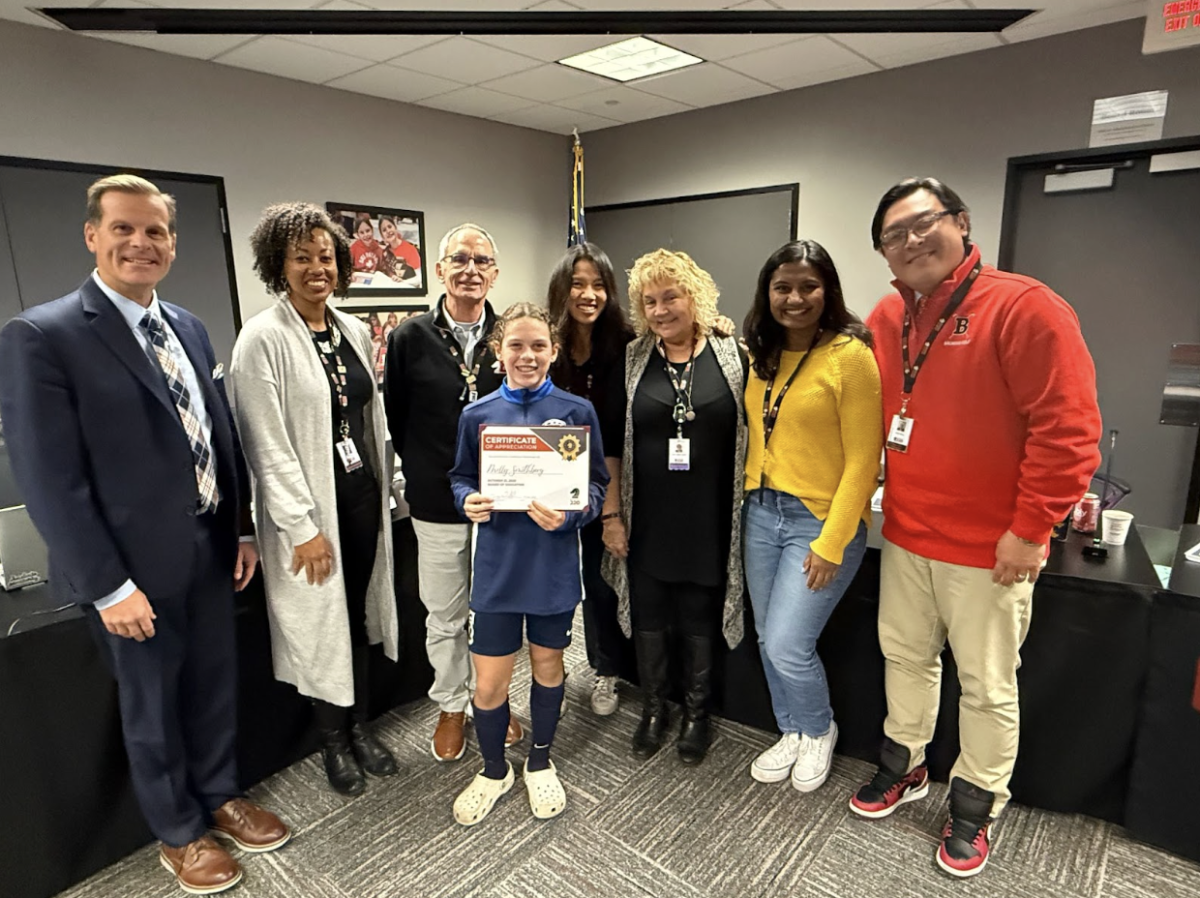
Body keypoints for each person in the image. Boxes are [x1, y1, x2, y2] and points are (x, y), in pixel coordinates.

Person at [0, 174, 289, 895]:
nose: (140, 243)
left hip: (210, 548)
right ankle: (178, 831)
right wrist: (106, 585)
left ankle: (218, 794)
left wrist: (241, 531)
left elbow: (219, 437)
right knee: (152, 703)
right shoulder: (43, 335)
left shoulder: (187, 326)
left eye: (155, 230)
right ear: (92, 236)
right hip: (128, 569)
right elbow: (49, 478)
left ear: (172, 243)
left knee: (214, 685)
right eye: (123, 228)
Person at [850, 177, 1102, 877]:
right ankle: (906, 764)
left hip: (991, 549)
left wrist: (1031, 529)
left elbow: (1069, 432)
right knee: (905, 659)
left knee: (987, 685)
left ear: (961, 223)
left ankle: (977, 803)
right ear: (883, 253)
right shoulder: (887, 317)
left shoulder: (1024, 307)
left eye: (923, 223)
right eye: (893, 235)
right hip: (906, 534)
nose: (910, 242)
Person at [228, 203, 400, 797]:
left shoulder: (352, 329)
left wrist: (391, 485)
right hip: (310, 516)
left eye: (325, 256)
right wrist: (302, 528)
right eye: (301, 258)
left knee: (356, 618)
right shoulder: (261, 340)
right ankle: (334, 741)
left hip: (361, 500)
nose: (316, 268)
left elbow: (370, 418)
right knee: (323, 627)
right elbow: (265, 445)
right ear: (278, 266)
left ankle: (361, 726)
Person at [448, 302, 608, 825]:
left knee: (548, 668)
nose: (527, 355)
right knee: (489, 685)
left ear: (554, 351)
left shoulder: (576, 412)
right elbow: (461, 477)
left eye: (539, 345)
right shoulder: (477, 415)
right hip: (497, 570)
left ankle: (540, 761)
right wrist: (467, 500)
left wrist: (570, 515)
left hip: (552, 568)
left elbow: (596, 486)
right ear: (498, 352)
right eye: (516, 345)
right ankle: (494, 770)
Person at [741, 240, 882, 792]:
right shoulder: (762, 354)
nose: (795, 299)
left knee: (787, 643)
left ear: (828, 291)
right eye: (783, 288)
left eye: (808, 287)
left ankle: (819, 728)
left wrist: (832, 541)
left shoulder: (851, 356)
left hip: (818, 521)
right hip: (761, 510)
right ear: (767, 293)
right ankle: (791, 729)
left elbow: (864, 462)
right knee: (764, 636)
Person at [600, 248, 748, 766]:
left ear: (695, 297)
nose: (661, 310)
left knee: (699, 616)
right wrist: (611, 515)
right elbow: (611, 446)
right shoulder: (632, 358)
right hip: (647, 517)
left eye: (671, 297)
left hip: (709, 516)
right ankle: (653, 709)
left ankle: (696, 714)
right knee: (649, 614)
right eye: (650, 301)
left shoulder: (732, 355)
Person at [383, 223, 523, 761]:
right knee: (444, 614)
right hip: (437, 503)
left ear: (495, 273)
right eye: (460, 259)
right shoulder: (409, 337)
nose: (471, 269)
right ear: (440, 270)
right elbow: (397, 417)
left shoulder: (509, 335)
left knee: (496, 611)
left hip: (501, 504)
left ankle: (493, 698)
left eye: (481, 261)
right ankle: (450, 704)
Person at [546, 243, 635, 716]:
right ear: (561, 290)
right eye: (578, 284)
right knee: (554, 584)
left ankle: (606, 670)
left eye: (599, 285)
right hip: (551, 488)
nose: (589, 294)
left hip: (607, 487)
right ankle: (549, 673)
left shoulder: (627, 344)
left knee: (601, 584)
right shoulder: (547, 346)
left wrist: (715, 325)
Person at [379, 215, 420, 282]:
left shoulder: (410, 249)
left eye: (389, 227)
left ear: (395, 227)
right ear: (382, 236)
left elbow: (418, 277)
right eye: (384, 230)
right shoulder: (385, 253)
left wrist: (403, 281)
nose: (388, 231)